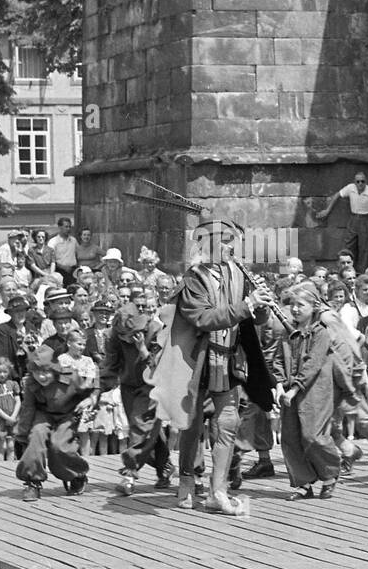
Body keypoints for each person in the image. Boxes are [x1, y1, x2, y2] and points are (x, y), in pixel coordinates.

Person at [151, 216, 277, 515]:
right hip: (195, 359)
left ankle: (217, 490)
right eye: (222, 240)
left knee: (228, 422)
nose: (229, 246)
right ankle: (186, 480)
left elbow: (252, 318)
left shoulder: (237, 272)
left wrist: (260, 308)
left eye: (230, 240)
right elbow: (204, 319)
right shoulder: (193, 279)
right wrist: (246, 305)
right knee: (191, 424)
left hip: (229, 356)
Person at [276, 282, 344, 500]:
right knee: (290, 437)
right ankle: (303, 482)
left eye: (301, 305)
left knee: (312, 435)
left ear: (314, 307)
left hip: (314, 391)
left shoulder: (321, 333)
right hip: (289, 392)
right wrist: (279, 385)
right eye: (293, 304)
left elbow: (313, 364)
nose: (295, 309)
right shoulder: (288, 332)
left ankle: (330, 473)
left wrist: (294, 389)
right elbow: (277, 360)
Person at [102, 302, 171, 494]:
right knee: (145, 428)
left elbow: (159, 366)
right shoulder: (114, 335)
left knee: (140, 426)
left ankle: (129, 474)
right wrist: (96, 389)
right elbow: (111, 364)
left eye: (129, 334)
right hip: (129, 385)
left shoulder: (156, 330)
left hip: (152, 385)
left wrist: (142, 349)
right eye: (122, 334)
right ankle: (164, 465)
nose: (126, 339)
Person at [14, 346, 93, 500]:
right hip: (44, 414)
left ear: (55, 369)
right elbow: (28, 408)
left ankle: (77, 475)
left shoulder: (70, 376)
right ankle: (32, 481)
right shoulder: (31, 382)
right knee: (36, 436)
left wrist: (90, 401)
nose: (42, 377)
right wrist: (22, 433)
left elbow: (89, 389)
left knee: (59, 445)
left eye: (46, 372)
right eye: (37, 372)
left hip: (67, 415)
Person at [314, 172, 368, 274]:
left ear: (366, 182)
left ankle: (360, 273)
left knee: (364, 248)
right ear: (354, 182)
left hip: (366, 220)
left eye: (362, 181)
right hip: (353, 219)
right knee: (348, 245)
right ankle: (345, 270)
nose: (360, 184)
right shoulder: (350, 188)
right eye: (358, 181)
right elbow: (337, 195)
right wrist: (327, 210)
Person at [46, 217, 79, 286]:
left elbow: (77, 254)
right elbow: (50, 259)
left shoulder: (73, 240)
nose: (68, 229)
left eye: (70, 227)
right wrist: (63, 267)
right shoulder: (53, 242)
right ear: (60, 227)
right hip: (59, 271)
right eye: (66, 227)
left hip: (73, 271)